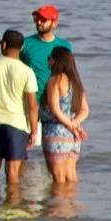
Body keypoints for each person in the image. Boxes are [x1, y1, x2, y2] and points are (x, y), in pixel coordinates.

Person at [0, 28, 39, 197]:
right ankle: (12, 206)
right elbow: (32, 105)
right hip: (17, 124)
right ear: (21, 48)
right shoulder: (27, 72)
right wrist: (33, 130)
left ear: (3, 44)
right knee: (12, 171)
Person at [40, 45, 89, 187]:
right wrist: (74, 124)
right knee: (71, 176)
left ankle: (57, 208)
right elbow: (85, 110)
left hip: (56, 132)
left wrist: (69, 125)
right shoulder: (76, 82)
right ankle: (70, 207)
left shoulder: (55, 80)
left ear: (56, 61)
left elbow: (55, 110)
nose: (48, 62)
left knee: (58, 180)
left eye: (50, 58)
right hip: (73, 136)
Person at [20, 6, 70, 89]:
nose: (39, 22)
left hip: (55, 97)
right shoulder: (25, 43)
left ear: (54, 23)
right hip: (30, 97)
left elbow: (68, 73)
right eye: (37, 18)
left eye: (43, 19)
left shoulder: (64, 45)